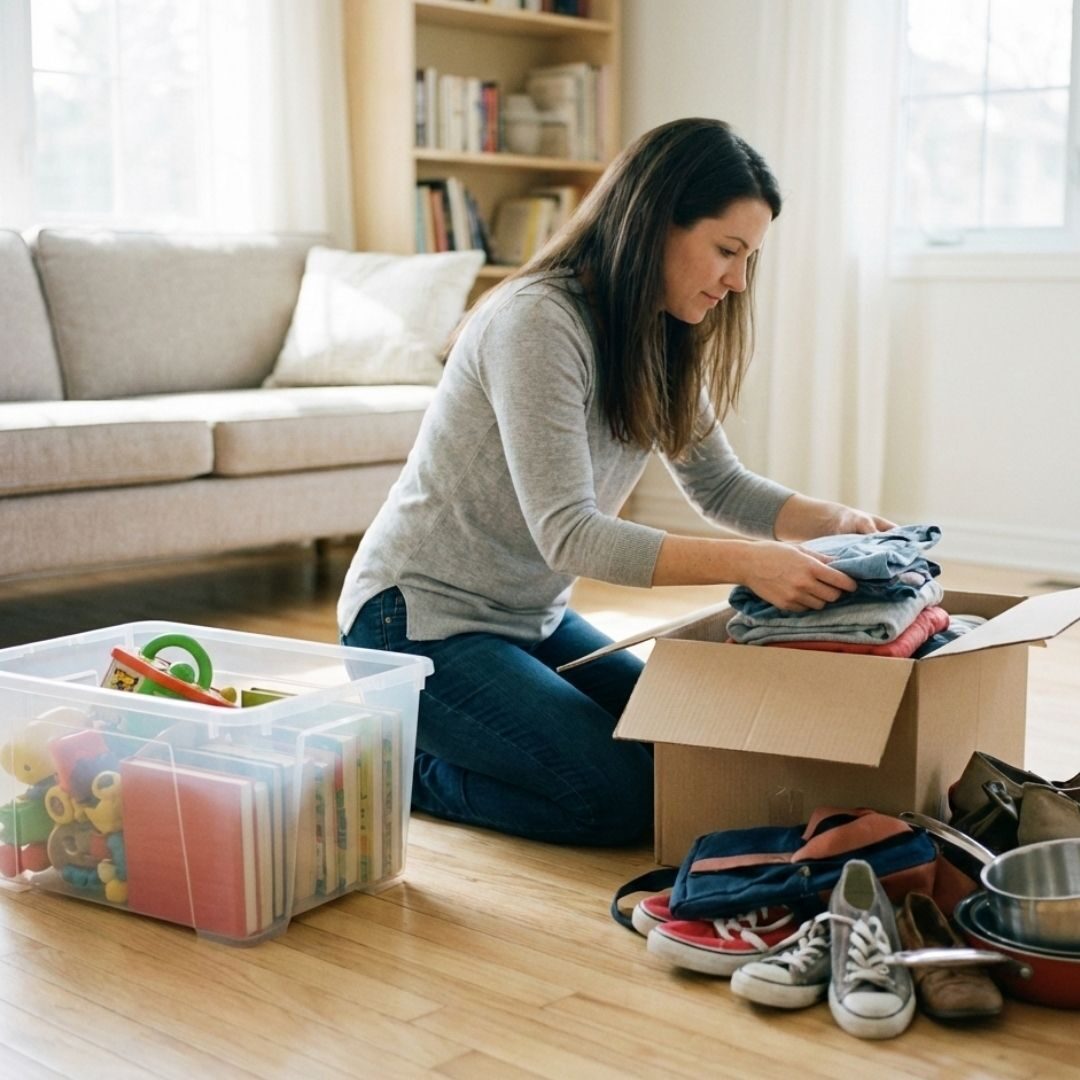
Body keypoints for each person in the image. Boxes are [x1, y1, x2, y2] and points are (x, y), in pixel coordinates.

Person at [338, 118, 893, 847]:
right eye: (727, 251)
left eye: (749, 258)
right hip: (416, 624)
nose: (737, 281)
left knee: (688, 750)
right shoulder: (537, 322)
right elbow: (571, 534)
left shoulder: (658, 330)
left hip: (526, 620)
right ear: (654, 224)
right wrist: (752, 564)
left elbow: (719, 486)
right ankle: (395, 766)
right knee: (620, 801)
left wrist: (835, 520)